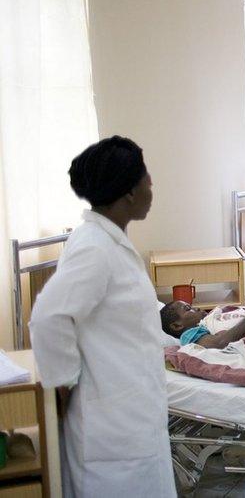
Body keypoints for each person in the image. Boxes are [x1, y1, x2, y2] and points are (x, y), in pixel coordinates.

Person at [29, 136, 176, 497]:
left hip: (130, 417)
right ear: (129, 191)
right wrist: (63, 380)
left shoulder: (109, 242)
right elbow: (49, 317)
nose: (151, 185)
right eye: (146, 177)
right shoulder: (95, 248)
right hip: (112, 429)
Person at [161, 284, 245, 348]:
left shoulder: (209, 320)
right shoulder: (189, 335)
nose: (197, 308)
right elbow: (220, 342)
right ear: (177, 326)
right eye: (188, 309)